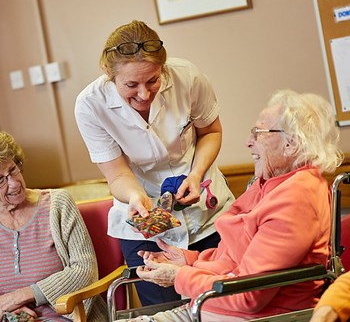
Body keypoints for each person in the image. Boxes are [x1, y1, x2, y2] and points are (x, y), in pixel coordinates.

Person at [125, 89, 344, 321]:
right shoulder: (271, 185)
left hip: (258, 316)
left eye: (259, 133)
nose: (248, 142)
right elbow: (235, 258)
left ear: (291, 144)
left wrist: (178, 276)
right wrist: (189, 260)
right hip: (215, 309)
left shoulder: (296, 198)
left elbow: (247, 295)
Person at [74, 20, 235, 306]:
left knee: (223, 305)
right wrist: (135, 196)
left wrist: (196, 174)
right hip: (143, 226)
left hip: (208, 213)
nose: (144, 94)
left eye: (153, 80)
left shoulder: (187, 77)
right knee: (165, 311)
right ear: (108, 74)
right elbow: (117, 174)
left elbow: (211, 132)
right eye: (131, 85)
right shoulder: (90, 105)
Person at [0, 131, 107, 321]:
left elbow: (84, 270)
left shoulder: (57, 204)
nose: (15, 183)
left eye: (13, 169)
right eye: (1, 180)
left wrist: (20, 296)